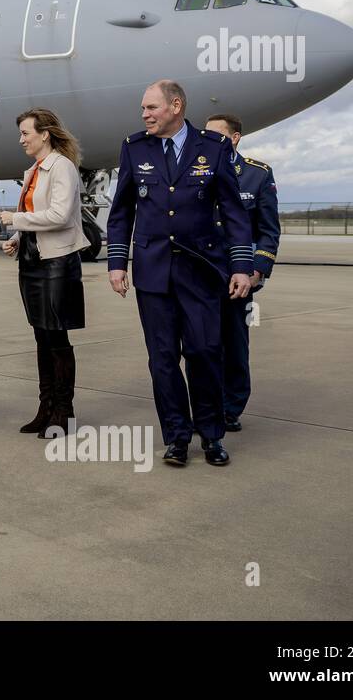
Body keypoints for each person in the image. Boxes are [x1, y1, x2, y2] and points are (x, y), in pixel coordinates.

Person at [106, 80, 253, 468]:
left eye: (151, 107)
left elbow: (235, 213)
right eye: (143, 108)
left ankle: (212, 434)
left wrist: (240, 266)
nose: (145, 115)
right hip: (153, 273)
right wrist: (117, 262)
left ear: (175, 106)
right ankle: (176, 437)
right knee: (162, 359)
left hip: (202, 270)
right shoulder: (135, 147)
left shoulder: (213, 147)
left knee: (205, 352)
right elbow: (121, 211)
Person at [0, 108, 90, 437]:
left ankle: (64, 410)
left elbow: (61, 216)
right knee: (41, 334)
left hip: (57, 262)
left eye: (26, 133)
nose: (21, 139)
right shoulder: (33, 170)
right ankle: (45, 406)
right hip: (33, 260)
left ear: (44, 134)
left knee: (56, 336)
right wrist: (17, 238)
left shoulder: (61, 167)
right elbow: (36, 215)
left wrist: (15, 219)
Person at [204, 113, 281, 432]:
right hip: (200, 272)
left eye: (215, 135)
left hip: (238, 275)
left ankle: (230, 406)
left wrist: (257, 272)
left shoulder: (256, 174)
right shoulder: (194, 171)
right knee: (201, 345)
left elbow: (268, 231)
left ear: (234, 138)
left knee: (234, 343)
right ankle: (205, 405)